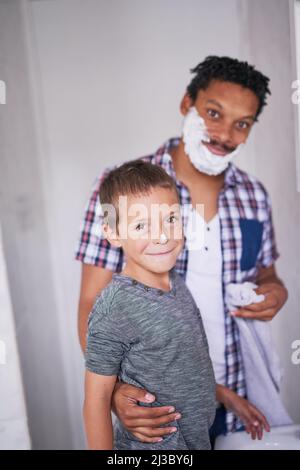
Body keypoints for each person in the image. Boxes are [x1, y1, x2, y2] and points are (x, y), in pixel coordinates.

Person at [76, 56, 287, 445]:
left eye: (242, 124)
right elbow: (93, 302)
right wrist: (116, 393)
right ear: (186, 104)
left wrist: (277, 291)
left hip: (237, 398)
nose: (225, 133)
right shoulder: (122, 189)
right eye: (213, 113)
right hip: (157, 413)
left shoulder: (254, 195)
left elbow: (268, 276)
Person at [83, 160, 216, 450]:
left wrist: (223, 395)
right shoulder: (116, 306)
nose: (163, 235)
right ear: (113, 233)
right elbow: (96, 401)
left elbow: (187, 363)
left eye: (171, 218)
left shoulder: (177, 283)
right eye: (141, 225)